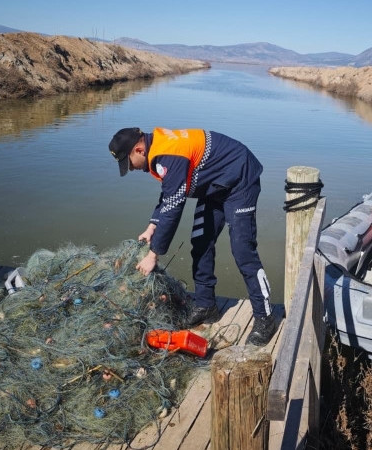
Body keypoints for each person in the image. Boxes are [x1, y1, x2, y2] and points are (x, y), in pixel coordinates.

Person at [108, 127, 278, 346]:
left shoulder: (168, 154)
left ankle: (265, 317)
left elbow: (174, 208)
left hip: (239, 179)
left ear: (139, 150)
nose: (130, 169)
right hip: (215, 184)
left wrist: (153, 255)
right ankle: (207, 305)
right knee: (200, 242)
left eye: (129, 163)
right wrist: (152, 226)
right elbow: (170, 192)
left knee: (242, 250)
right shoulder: (158, 150)